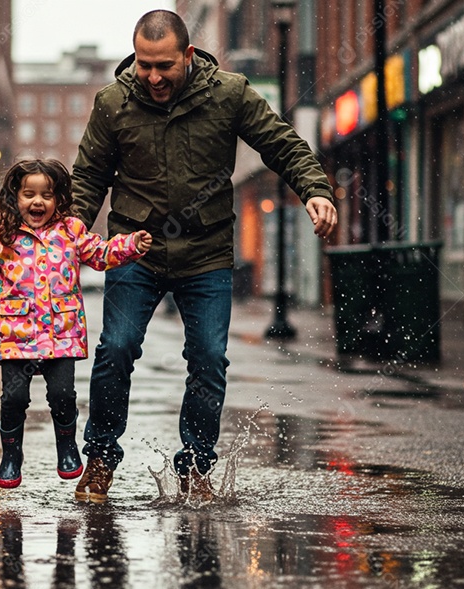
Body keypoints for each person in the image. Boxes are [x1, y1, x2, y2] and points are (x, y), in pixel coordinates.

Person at [71, 10, 337, 504]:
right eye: (144, 65)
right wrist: (68, 235)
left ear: (188, 55)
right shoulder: (113, 102)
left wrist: (314, 189)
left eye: (164, 66)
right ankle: (101, 458)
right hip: (135, 249)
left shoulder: (229, 93)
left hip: (206, 252)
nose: (152, 77)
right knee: (116, 348)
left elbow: (282, 144)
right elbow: (88, 177)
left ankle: (195, 467)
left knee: (209, 359)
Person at [0, 159, 152, 489]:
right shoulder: (1, 233)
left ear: (59, 200)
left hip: (62, 334)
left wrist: (130, 246)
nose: (38, 202)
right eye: (29, 194)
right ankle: (11, 456)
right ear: (16, 196)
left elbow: (99, 253)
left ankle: (67, 447)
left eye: (47, 195)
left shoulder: (71, 231)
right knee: (13, 399)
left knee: (62, 395)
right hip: (15, 335)